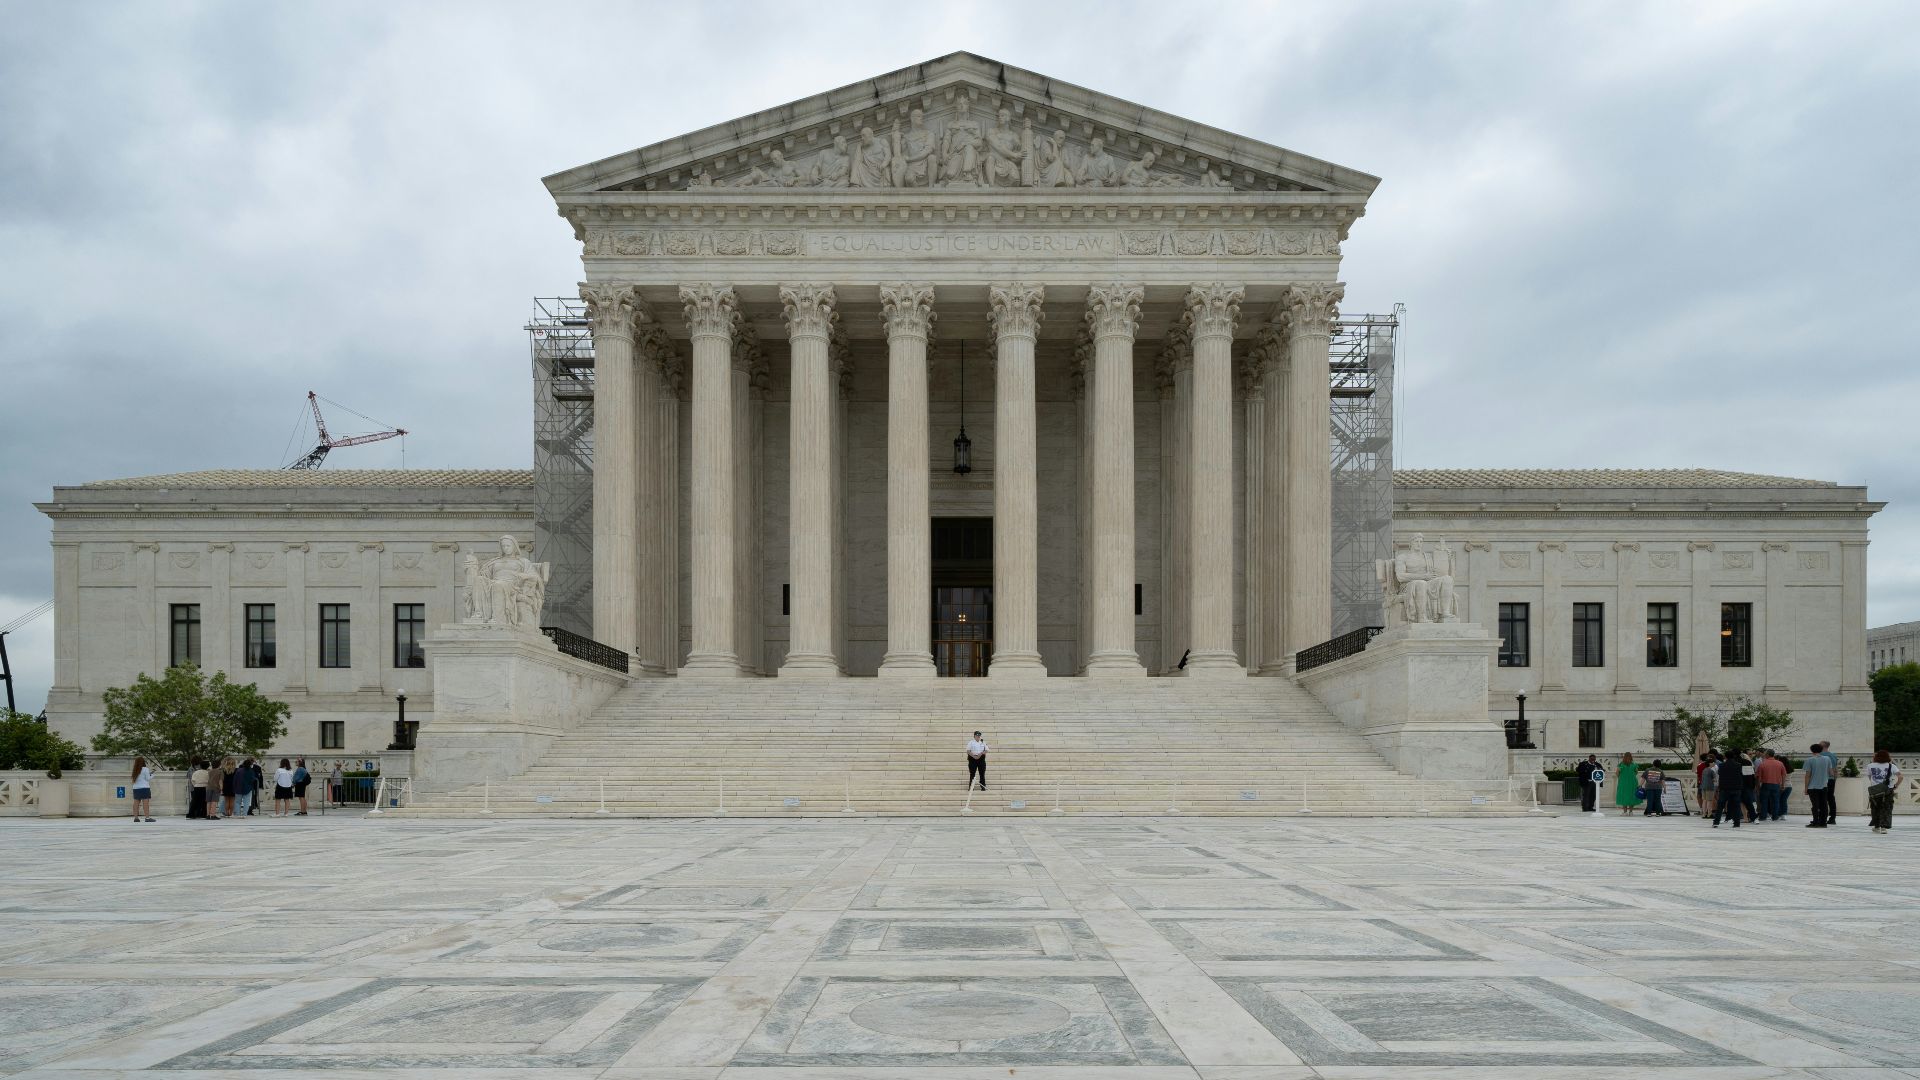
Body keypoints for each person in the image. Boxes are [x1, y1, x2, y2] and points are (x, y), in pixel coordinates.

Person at [1866, 750, 1903, 834]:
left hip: (1875, 791)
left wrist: (1875, 784)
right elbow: (1901, 776)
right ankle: (1884, 828)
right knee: (1887, 808)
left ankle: (1876, 827)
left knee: (1875, 808)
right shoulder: (1891, 766)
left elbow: (1870, 777)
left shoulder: (1870, 766)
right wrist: (1896, 785)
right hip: (1888, 790)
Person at [1712, 751, 1745, 828]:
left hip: (1725, 788)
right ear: (1733, 756)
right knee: (1736, 806)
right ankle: (1736, 823)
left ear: (1725, 757)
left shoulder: (1721, 765)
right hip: (1736, 788)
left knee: (1720, 806)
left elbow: (1719, 773)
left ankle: (1716, 822)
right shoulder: (1738, 765)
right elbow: (1741, 775)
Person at [1805, 742, 1834, 828]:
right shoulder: (1827, 759)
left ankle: (1815, 822)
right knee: (1824, 804)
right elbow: (1831, 773)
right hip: (1824, 785)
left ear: (1812, 750)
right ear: (1821, 750)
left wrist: (1806, 788)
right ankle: (1823, 822)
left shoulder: (1809, 760)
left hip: (1812, 786)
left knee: (1815, 805)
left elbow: (1808, 775)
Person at [1756, 749, 1788, 821]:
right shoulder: (1780, 763)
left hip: (1765, 785)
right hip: (1776, 785)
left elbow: (1758, 777)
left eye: (1765, 753)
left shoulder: (1763, 764)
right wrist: (1783, 784)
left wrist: (1758, 787)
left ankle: (1763, 816)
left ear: (1767, 755)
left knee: (1764, 801)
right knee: (1775, 801)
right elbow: (1784, 774)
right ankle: (1775, 816)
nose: (1764, 755)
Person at [1818, 742, 1841, 824]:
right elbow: (1835, 769)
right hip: (1831, 779)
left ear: (1822, 746)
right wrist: (1834, 779)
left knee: (1821, 799)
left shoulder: (1820, 756)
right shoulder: (1833, 756)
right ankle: (1832, 817)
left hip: (1822, 780)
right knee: (1831, 798)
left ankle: (1822, 817)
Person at [129, 756, 154, 823]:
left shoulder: (135, 770)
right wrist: (152, 775)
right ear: (143, 762)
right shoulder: (145, 769)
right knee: (145, 803)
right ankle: (147, 818)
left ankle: (136, 818)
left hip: (136, 788)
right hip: (144, 788)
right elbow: (148, 778)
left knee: (136, 803)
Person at [1696, 752, 1719, 824]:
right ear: (1710, 764)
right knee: (1709, 801)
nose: (1713, 763)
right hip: (1710, 787)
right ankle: (1709, 813)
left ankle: (1704, 813)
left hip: (1703, 786)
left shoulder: (1704, 770)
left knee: (1704, 800)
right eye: (1712, 763)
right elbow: (1715, 780)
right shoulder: (1711, 771)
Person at [1738, 751, 1759, 822]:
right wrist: (1753, 785)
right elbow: (1752, 777)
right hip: (1749, 786)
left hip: (1742, 786)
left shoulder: (1739, 764)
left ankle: (1745, 817)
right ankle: (1750, 816)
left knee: (1742, 802)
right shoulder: (1750, 765)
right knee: (1750, 801)